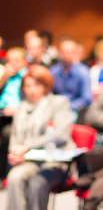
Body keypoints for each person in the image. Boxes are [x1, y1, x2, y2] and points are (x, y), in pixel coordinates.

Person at [6, 65, 76, 210]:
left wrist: (26, 146)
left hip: (54, 161)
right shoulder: (21, 107)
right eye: (28, 86)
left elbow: (60, 135)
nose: (32, 90)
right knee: (14, 177)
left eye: (37, 85)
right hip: (29, 160)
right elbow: (14, 136)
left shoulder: (58, 103)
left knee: (37, 183)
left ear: (46, 86)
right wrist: (14, 153)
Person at [50, 39, 92, 119]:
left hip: (73, 109)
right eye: (64, 52)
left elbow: (86, 98)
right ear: (59, 53)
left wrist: (68, 106)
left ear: (75, 53)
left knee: (65, 119)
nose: (67, 54)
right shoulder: (53, 71)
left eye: (70, 52)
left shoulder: (83, 72)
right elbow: (48, 93)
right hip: (55, 107)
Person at [0, 48, 28, 115]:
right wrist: (4, 78)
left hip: (20, 112)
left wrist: (18, 108)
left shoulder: (28, 75)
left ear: (25, 62)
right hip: (2, 111)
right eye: (9, 60)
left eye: (17, 60)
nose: (13, 63)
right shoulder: (3, 74)